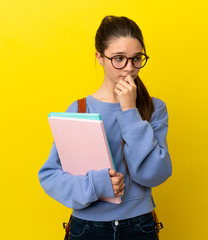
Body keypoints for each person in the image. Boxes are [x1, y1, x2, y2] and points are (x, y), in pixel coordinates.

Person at [38, 15, 172, 240]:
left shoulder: (154, 108)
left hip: (140, 227)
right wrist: (97, 184)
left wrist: (129, 112)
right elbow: (50, 175)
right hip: (88, 228)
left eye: (136, 58)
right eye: (119, 58)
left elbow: (153, 175)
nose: (129, 68)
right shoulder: (80, 109)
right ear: (100, 57)